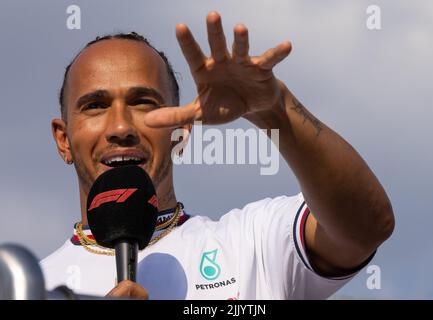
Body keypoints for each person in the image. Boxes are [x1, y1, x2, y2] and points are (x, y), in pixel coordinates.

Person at [41, 11, 394, 299]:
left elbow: (366, 228)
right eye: (96, 106)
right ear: (63, 139)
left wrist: (275, 110)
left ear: (182, 131)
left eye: (142, 102)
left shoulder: (254, 243)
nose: (120, 127)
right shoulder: (30, 286)